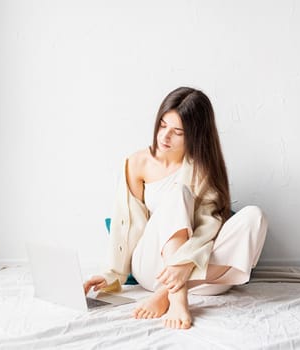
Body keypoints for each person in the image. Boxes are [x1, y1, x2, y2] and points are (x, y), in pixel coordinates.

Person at [84, 86, 268, 330]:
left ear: (195, 135)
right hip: (153, 269)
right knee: (178, 193)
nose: (164, 137)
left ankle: (166, 294)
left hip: (204, 276)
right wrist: (111, 274)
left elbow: (208, 226)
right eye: (162, 126)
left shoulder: (203, 167)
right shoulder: (138, 163)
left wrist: (184, 264)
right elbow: (126, 226)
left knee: (255, 216)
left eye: (177, 132)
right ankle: (177, 296)